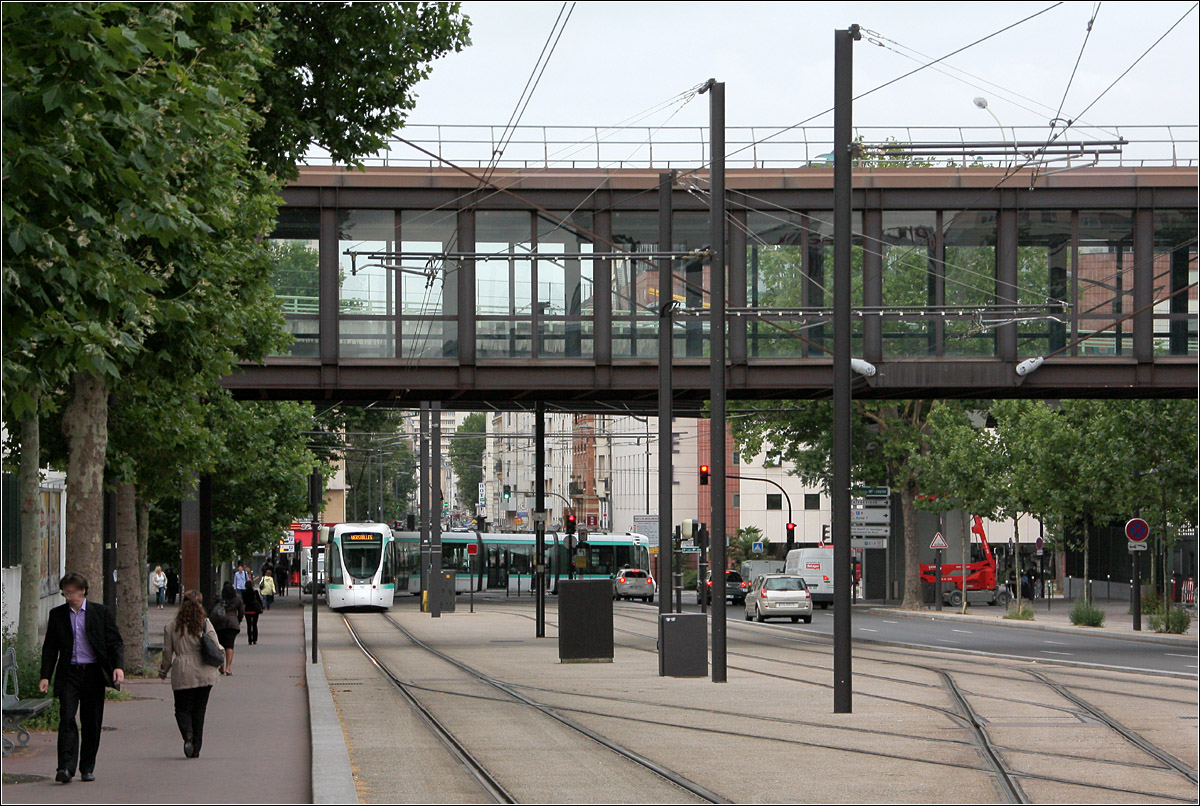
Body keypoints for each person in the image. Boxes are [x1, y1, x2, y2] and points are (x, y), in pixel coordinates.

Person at [38, 573, 125, 784]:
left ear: (83, 590)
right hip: (69, 673)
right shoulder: (58, 615)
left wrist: (118, 668)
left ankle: (87, 766)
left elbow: (115, 642)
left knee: (91, 721)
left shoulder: (100, 612)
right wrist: (45, 676)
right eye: (66, 593)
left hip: (93, 673)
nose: (70, 597)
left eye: (73, 592)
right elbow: (50, 648)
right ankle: (65, 767)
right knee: (67, 718)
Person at [158, 590, 221, 758]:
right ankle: (196, 747)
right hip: (204, 670)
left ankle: (187, 733)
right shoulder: (205, 623)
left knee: (182, 708)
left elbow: (167, 653)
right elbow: (216, 645)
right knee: (200, 710)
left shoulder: (172, 627)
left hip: (183, 670)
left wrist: (163, 671)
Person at [211, 583, 244, 676]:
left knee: (220, 645)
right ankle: (228, 668)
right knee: (230, 645)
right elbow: (241, 611)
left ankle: (221, 666)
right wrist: (238, 620)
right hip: (232, 623)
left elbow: (212, 609)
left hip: (219, 623)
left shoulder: (219, 598)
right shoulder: (237, 598)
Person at [243, 578, 264, 645]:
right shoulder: (255, 592)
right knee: (254, 624)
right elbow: (259, 601)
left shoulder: (244, 593)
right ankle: (255, 639)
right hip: (255, 610)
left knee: (249, 625)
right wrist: (261, 607)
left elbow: (243, 602)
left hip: (247, 610)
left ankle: (250, 639)